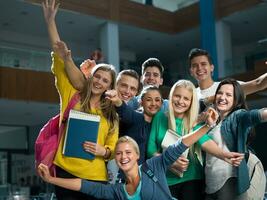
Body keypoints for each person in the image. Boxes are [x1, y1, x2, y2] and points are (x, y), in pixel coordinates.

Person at [38, 108, 224, 200]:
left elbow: (179, 145)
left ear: (136, 155)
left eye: (128, 152)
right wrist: (52, 180)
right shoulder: (118, 190)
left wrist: (207, 126)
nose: (123, 156)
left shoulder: (152, 166)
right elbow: (86, 186)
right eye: (118, 153)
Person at [147, 79, 244, 200]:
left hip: (192, 180)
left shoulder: (194, 122)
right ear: (171, 96)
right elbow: (150, 150)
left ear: (191, 102)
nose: (181, 101)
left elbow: (205, 141)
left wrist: (224, 155)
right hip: (165, 180)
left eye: (186, 98)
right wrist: (169, 162)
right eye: (177, 96)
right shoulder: (159, 117)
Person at [204, 78, 267, 200]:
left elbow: (256, 115)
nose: (222, 97)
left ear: (235, 100)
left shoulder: (237, 117)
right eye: (220, 93)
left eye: (228, 95)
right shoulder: (210, 121)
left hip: (228, 181)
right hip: (209, 185)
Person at [106, 85, 162, 164]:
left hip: (149, 173)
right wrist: (117, 101)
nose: (153, 103)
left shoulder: (160, 125)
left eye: (157, 100)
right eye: (149, 100)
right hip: (126, 169)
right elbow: (126, 112)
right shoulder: (136, 117)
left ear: (162, 103)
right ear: (141, 102)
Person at [188, 48, 267, 101]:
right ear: (191, 71)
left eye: (203, 64)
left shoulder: (228, 87)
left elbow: (258, 84)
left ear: (211, 67)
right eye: (195, 65)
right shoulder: (189, 97)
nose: (199, 68)